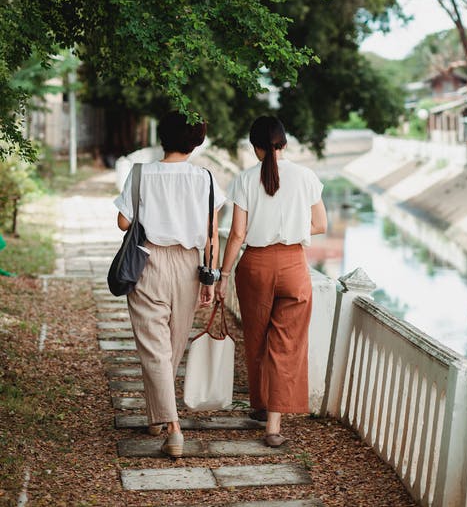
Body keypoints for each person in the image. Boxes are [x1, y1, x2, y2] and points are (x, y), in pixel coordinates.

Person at [114, 111, 225, 457]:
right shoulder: (205, 179)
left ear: (161, 137)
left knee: (155, 348)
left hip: (149, 262)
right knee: (171, 347)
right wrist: (212, 277)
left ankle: (169, 425)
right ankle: (164, 419)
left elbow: (122, 222)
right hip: (191, 266)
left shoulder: (141, 174)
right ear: (197, 141)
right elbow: (212, 237)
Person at [215, 115, 327, 447]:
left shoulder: (244, 179)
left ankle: (261, 405)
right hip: (293, 265)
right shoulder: (306, 177)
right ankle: (273, 427)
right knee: (286, 343)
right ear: (284, 143)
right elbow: (320, 224)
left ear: (256, 147)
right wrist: (293, 226)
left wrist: (222, 276)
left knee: (257, 337)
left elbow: (236, 234)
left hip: (255, 266)